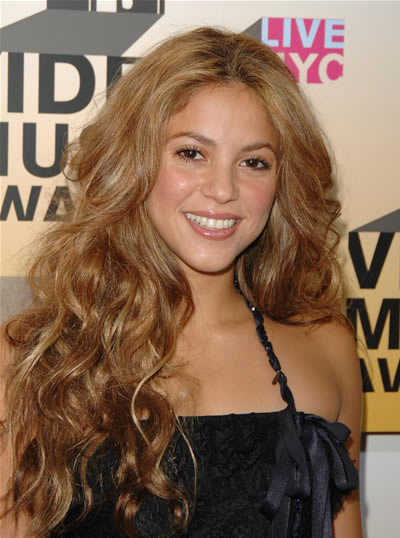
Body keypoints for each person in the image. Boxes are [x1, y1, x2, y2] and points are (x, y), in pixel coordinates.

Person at [0, 27, 362, 537]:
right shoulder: (36, 358)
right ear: (136, 161)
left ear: (283, 182)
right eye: (192, 153)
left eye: (253, 162)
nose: (222, 189)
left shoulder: (326, 346)